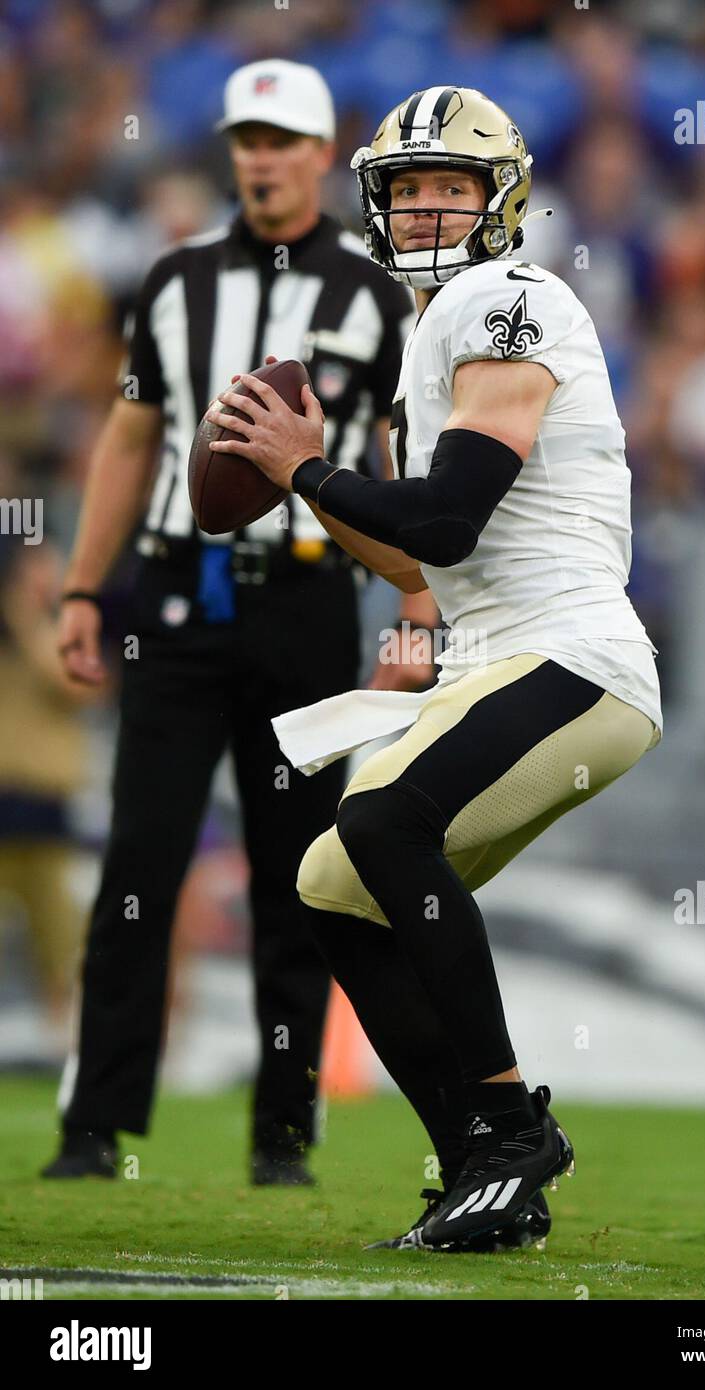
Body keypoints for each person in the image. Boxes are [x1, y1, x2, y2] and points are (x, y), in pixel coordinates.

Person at [204, 85, 663, 1248]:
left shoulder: (510, 298)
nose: (422, 209)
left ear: (499, 200)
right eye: (405, 190)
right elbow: (415, 566)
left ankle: (511, 1121)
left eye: (449, 187)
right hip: (495, 657)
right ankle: (482, 1171)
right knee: (332, 882)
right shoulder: (438, 329)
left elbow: (450, 518)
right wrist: (283, 483)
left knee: (384, 815)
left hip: (572, 653)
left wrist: (309, 469)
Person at [41, 59, 423, 1186]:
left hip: (307, 598)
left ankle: (283, 1130)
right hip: (174, 596)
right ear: (233, 151)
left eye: (281, 140)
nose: (260, 157)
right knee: (137, 865)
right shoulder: (172, 280)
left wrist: (415, 596)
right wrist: (78, 587)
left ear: (320, 154)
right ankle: (93, 1127)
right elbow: (130, 438)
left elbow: (397, 445)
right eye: (245, 139)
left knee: (293, 873)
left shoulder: (372, 292)